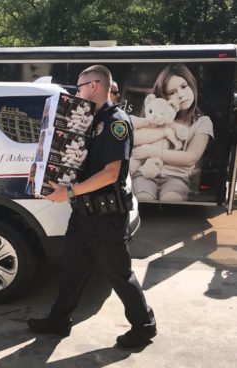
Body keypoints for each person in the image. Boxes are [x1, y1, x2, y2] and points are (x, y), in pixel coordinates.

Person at [27, 65, 157, 348]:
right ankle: (59, 320)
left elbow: (111, 172)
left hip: (107, 217)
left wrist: (70, 191)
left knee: (120, 276)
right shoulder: (86, 120)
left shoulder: (115, 121)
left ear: (95, 86)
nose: (76, 92)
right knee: (72, 270)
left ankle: (144, 326)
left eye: (79, 86)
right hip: (84, 211)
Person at [131, 64, 213, 201]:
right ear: (164, 96)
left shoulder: (202, 122)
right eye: (172, 92)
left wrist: (151, 151)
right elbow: (134, 138)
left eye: (183, 86)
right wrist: (165, 131)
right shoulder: (157, 117)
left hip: (176, 178)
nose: (180, 95)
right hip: (144, 174)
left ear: (191, 84)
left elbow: (191, 158)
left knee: (170, 201)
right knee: (143, 199)